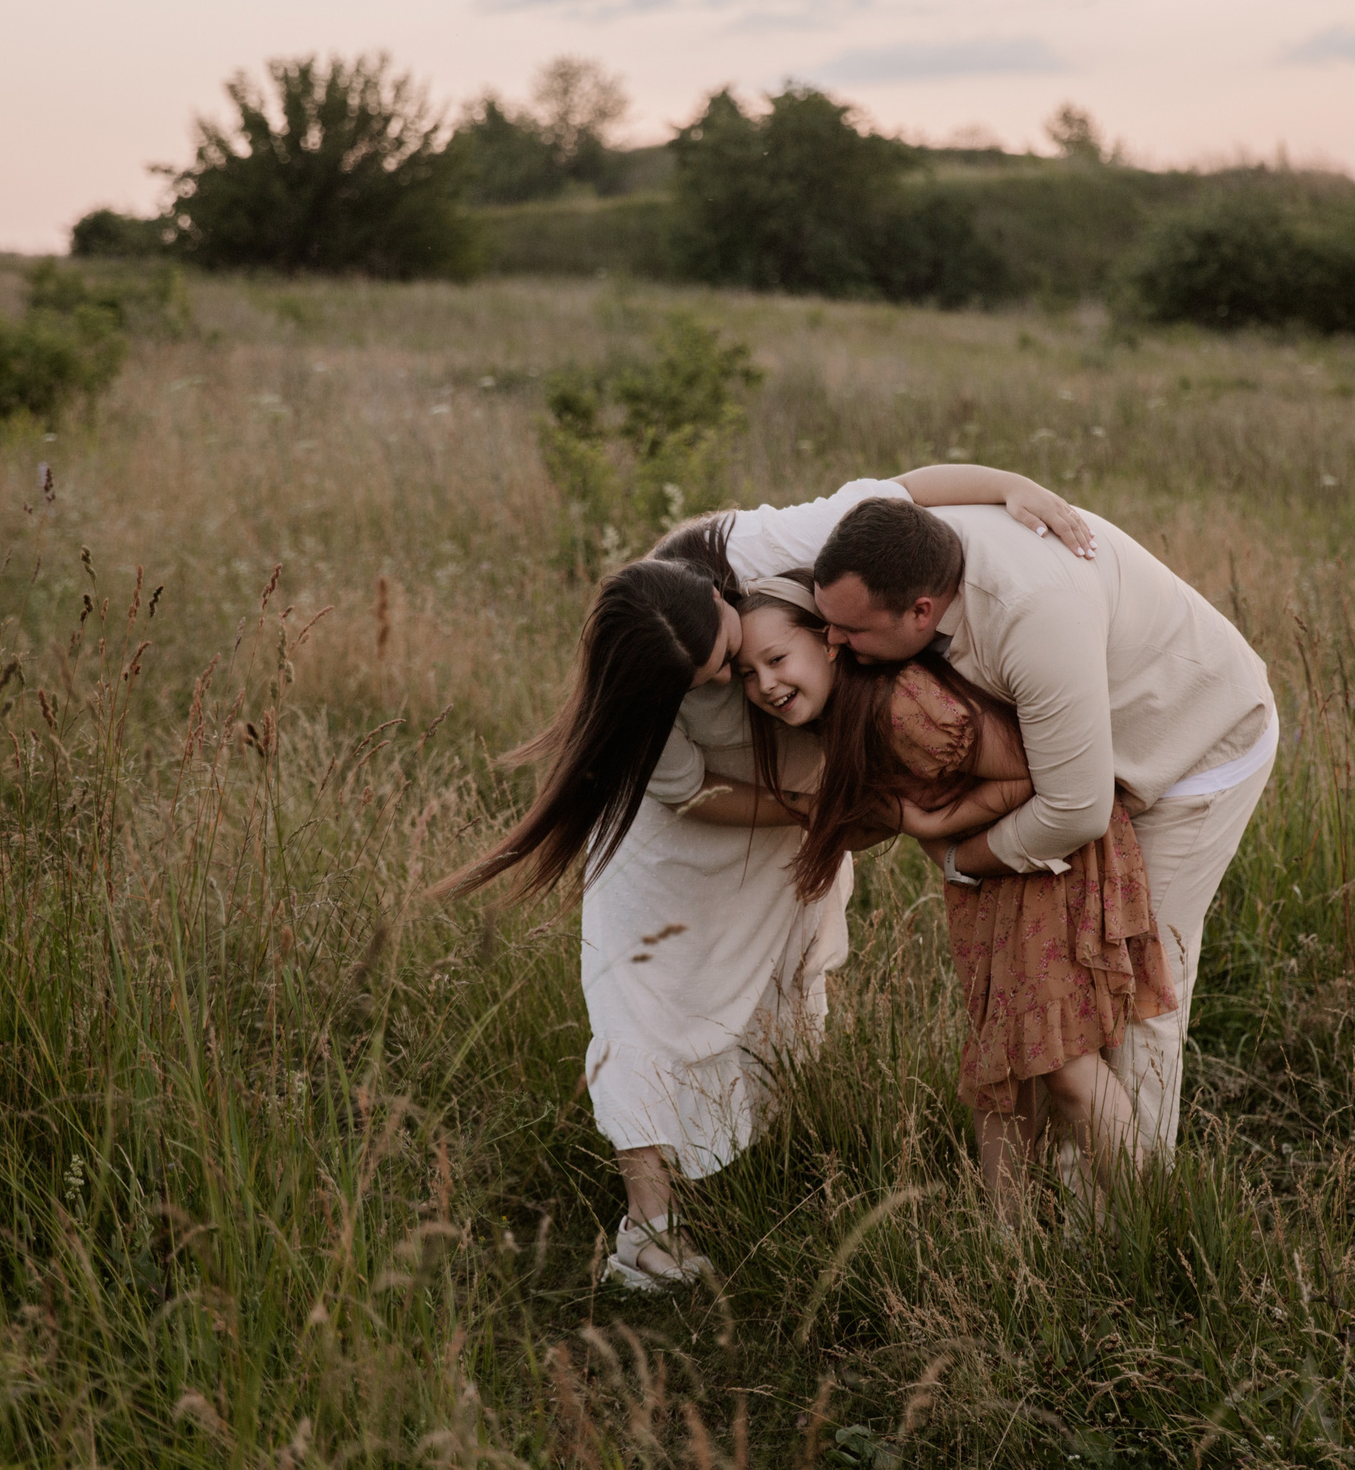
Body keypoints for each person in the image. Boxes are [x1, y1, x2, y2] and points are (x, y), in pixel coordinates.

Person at [439, 467, 1089, 1290]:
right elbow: (688, 790)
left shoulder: (755, 550)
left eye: (733, 653)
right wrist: (822, 807)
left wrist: (1009, 485)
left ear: (719, 592)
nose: (731, 678)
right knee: (646, 1000)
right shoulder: (648, 680)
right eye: (713, 680)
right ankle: (648, 1233)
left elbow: (889, 495)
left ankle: (769, 1171)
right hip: (693, 825)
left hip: (788, 822)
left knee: (781, 988)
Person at [810, 496, 1277, 1154]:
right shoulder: (900, 549)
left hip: (1193, 747)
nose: (830, 641)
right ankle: (1067, 1179)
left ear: (920, 612)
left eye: (848, 630)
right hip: (1086, 765)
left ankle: (1135, 1219)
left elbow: (1074, 809)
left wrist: (961, 859)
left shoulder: (1032, 616)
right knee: (1072, 990)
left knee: (1141, 986)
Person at [730, 576, 1175, 1219]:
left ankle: (1152, 1233)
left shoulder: (898, 705)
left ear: (829, 642)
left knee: (1067, 1069)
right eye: (748, 673)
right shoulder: (844, 717)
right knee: (1002, 1069)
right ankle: (1009, 1244)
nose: (766, 684)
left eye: (777, 659)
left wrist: (937, 828)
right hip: (988, 875)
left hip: (1046, 858)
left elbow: (1037, 769)